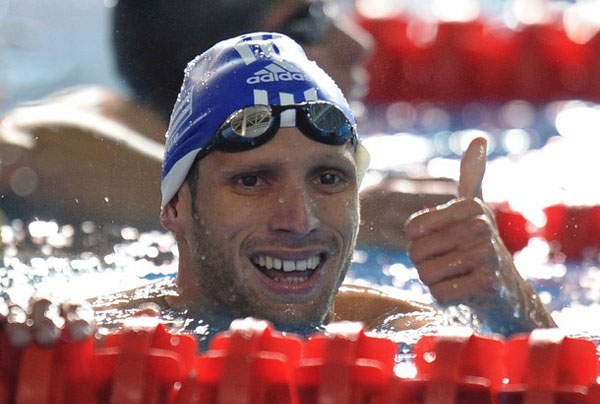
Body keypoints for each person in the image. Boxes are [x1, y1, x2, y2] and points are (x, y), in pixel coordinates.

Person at [1, 32, 556, 348]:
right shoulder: (90, 333)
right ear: (174, 206)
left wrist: (511, 303)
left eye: (330, 179)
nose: (300, 218)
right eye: (252, 180)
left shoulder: (392, 328)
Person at [0, 0, 454, 248]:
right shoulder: (108, 121)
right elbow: (24, 154)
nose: (359, 44)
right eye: (308, 21)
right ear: (218, 60)